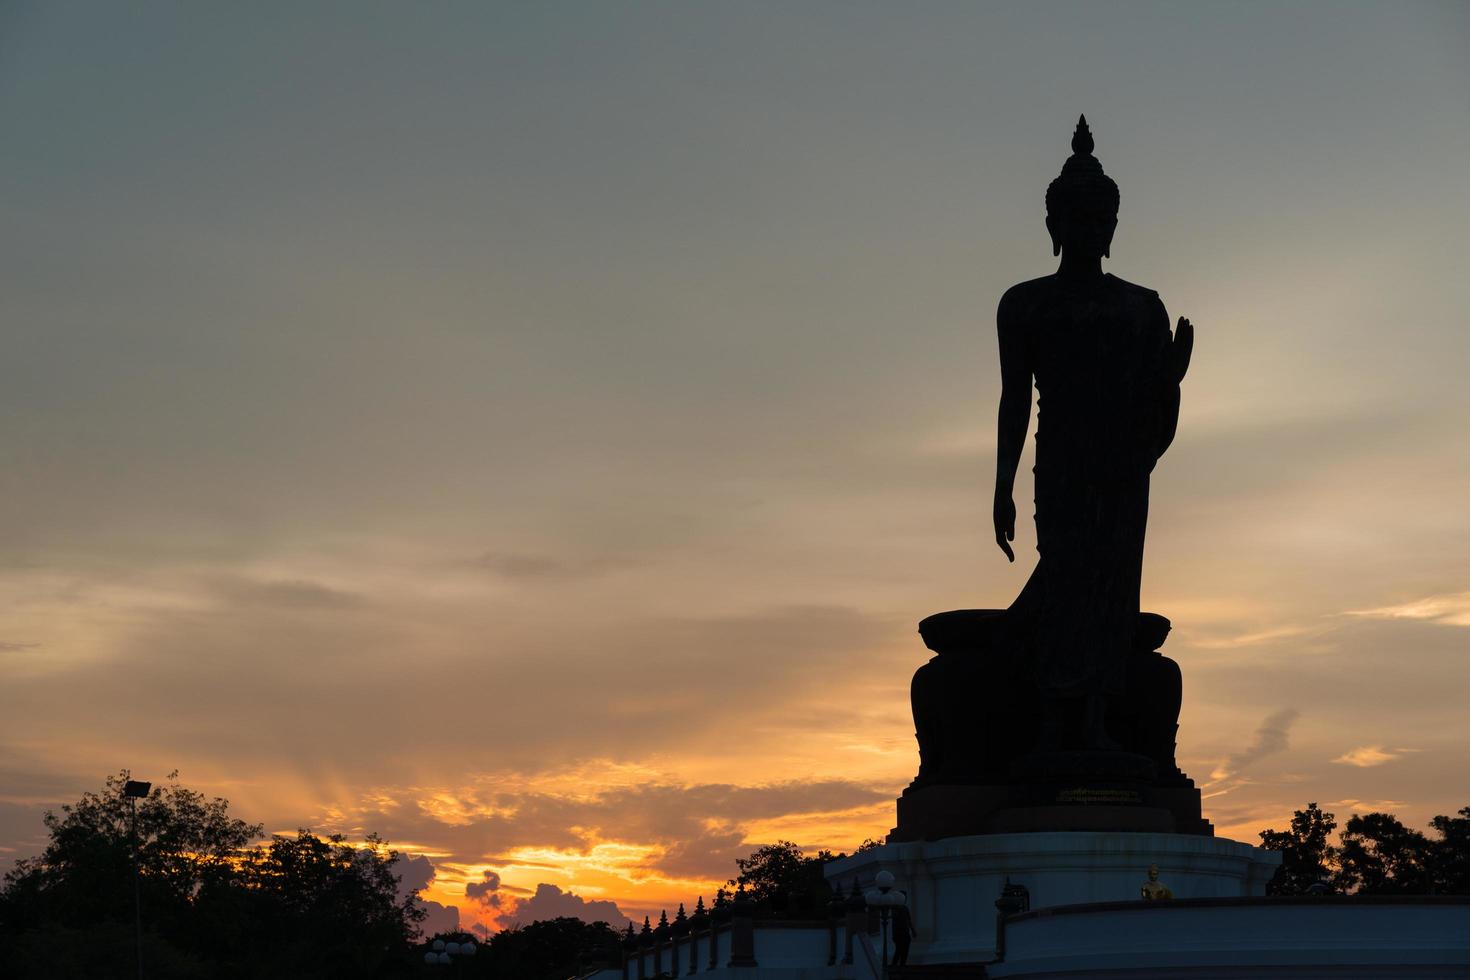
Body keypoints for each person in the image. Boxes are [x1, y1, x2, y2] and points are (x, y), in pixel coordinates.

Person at [993, 116, 1193, 750]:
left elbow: (1154, 407)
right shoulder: (1026, 303)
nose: (1091, 230)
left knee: (1112, 587)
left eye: (1101, 220)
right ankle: (1053, 721)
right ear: (1053, 226)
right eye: (1077, 218)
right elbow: (1014, 400)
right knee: (1065, 579)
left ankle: (1099, 722)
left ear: (1114, 226)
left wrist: (1169, 376)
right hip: (1062, 459)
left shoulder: (1141, 306)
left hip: (1120, 465)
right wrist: (1001, 487)